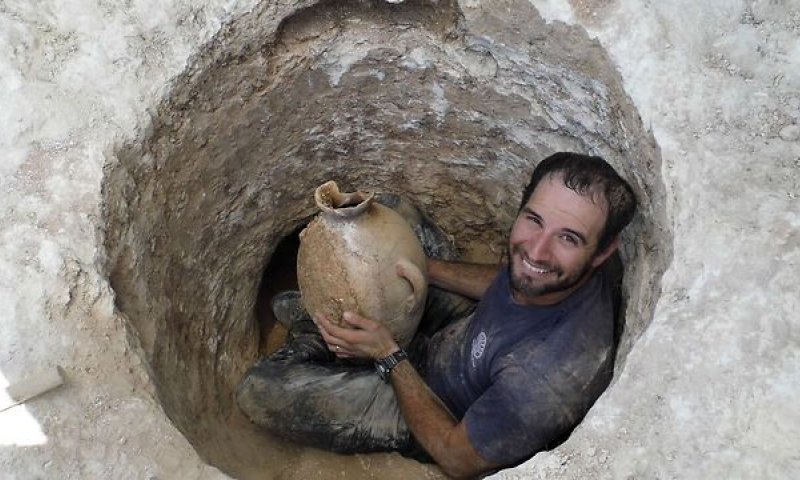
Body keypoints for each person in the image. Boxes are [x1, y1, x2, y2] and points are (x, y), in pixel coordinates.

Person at [237, 152, 637, 479]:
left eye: (568, 238)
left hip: (435, 411)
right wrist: (420, 264)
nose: (538, 250)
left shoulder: (543, 382)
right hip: (458, 334)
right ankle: (340, 327)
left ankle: (318, 337)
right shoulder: (560, 275)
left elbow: (456, 459)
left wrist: (389, 355)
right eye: (534, 220)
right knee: (389, 213)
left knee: (260, 391)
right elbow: (510, 282)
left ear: (603, 252)